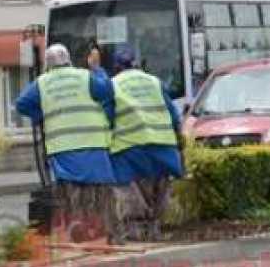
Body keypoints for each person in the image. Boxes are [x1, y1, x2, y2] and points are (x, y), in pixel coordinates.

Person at [15, 44, 120, 244]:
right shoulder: (84, 76)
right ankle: (107, 236)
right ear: (69, 59)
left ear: (48, 64)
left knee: (72, 197)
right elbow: (107, 91)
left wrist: (42, 115)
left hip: (62, 149)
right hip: (93, 145)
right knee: (101, 193)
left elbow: (21, 104)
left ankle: (79, 236)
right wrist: (97, 68)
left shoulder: (42, 83)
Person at [106, 47, 184, 243]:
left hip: (129, 148)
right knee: (159, 189)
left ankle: (136, 230)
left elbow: (106, 118)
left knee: (126, 188)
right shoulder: (154, 81)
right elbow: (174, 116)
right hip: (163, 147)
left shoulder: (112, 85)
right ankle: (155, 228)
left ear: (116, 67)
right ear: (136, 63)